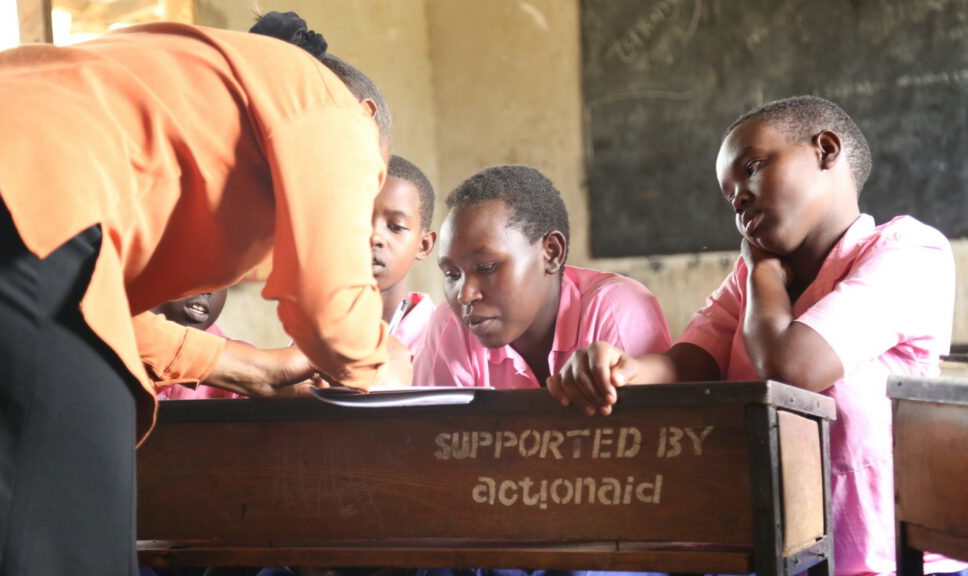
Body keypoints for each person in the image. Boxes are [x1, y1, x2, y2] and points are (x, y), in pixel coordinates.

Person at [0, 13, 398, 575]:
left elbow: (92, 306)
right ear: (368, 120)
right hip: (9, 194)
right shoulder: (333, 105)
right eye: (368, 191)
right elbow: (331, 308)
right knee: (74, 530)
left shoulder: (181, 88)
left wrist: (244, 367)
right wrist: (379, 373)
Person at [548, 96, 967, 576]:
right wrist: (622, 367)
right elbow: (689, 365)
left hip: (879, 558)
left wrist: (761, 269)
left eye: (752, 168)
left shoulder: (909, 252)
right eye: (728, 196)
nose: (739, 199)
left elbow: (791, 368)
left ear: (826, 150)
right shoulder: (747, 282)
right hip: (765, 549)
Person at [413, 164, 671, 389]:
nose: (465, 294)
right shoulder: (449, 327)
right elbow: (434, 439)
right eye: (452, 274)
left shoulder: (616, 309)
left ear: (551, 253)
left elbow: (644, 435)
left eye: (487, 267)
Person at [374, 155, 438, 357]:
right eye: (358, 221)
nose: (374, 236)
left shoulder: (442, 341)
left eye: (396, 227)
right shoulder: (318, 331)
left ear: (424, 245)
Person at [150, 288, 244, 400]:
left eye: (220, 281)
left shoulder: (241, 361)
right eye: (195, 275)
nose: (207, 290)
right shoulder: (126, 346)